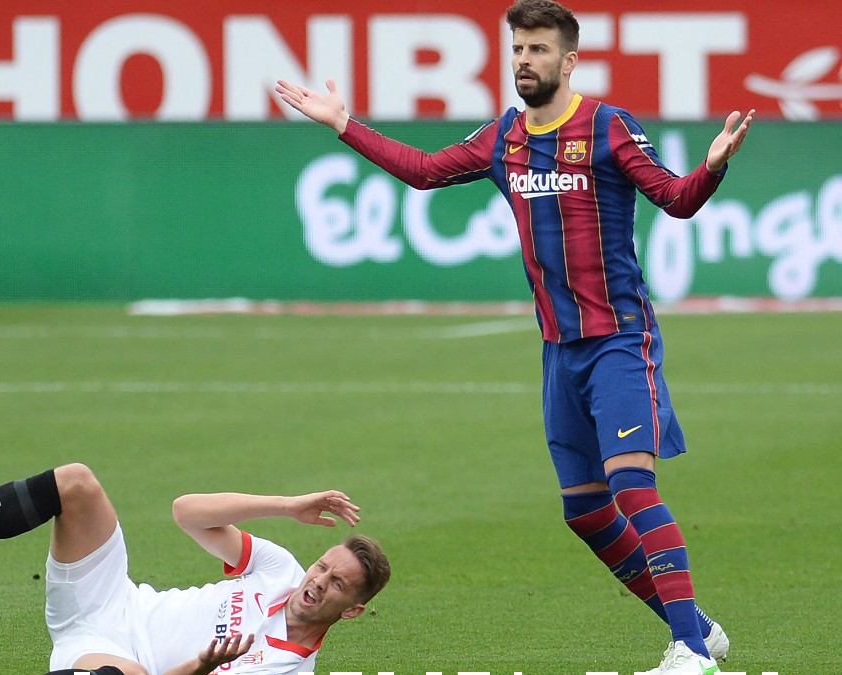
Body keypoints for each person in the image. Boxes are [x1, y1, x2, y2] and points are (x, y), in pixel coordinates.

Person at [276, 1, 751, 673]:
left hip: (619, 340)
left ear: (569, 60)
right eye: (518, 49)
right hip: (560, 351)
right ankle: (695, 624)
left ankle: (691, 651)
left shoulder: (608, 126)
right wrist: (344, 124)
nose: (524, 60)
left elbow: (675, 198)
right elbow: (422, 169)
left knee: (632, 488)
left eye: (537, 49)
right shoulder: (506, 138)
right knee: (586, 511)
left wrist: (713, 166)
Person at [0, 463, 391, 675]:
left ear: (354, 611)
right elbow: (187, 512)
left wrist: (200, 666)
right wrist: (285, 504)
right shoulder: (281, 571)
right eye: (325, 566)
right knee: (77, 482)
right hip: (113, 601)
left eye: (337, 583)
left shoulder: (285, 670)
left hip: (128, 663)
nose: (318, 581)